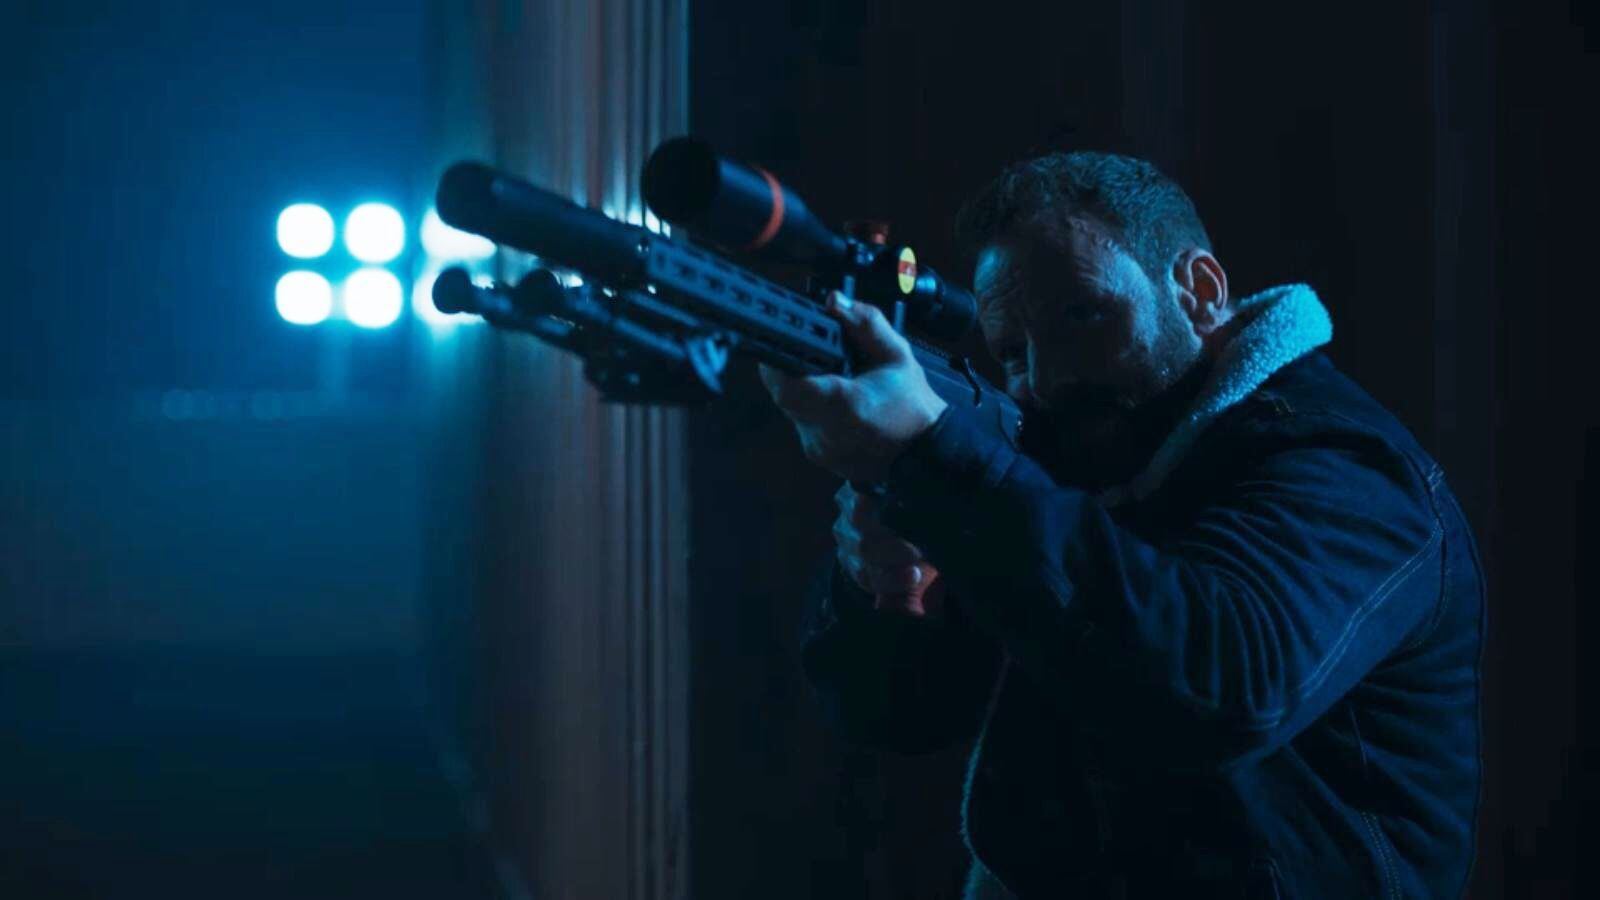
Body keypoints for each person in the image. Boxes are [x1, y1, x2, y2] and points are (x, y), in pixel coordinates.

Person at [759, 152, 1485, 899]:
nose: (1047, 380)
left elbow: (1221, 689)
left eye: (1082, 317)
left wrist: (940, 463)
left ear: (1199, 291)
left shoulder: (1343, 467)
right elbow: (899, 713)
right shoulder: (1069, 461)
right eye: (1012, 352)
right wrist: (880, 575)